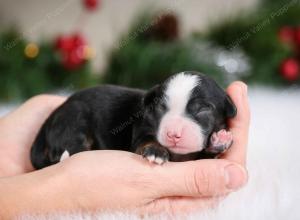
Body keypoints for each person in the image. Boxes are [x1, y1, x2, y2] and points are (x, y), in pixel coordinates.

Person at [0, 82, 250, 218]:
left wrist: (212, 147)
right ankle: (59, 156)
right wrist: (60, 185)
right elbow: (143, 141)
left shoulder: (213, 125)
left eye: (200, 110)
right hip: (82, 113)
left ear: (225, 110)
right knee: (75, 130)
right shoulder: (146, 118)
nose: (173, 129)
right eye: (164, 110)